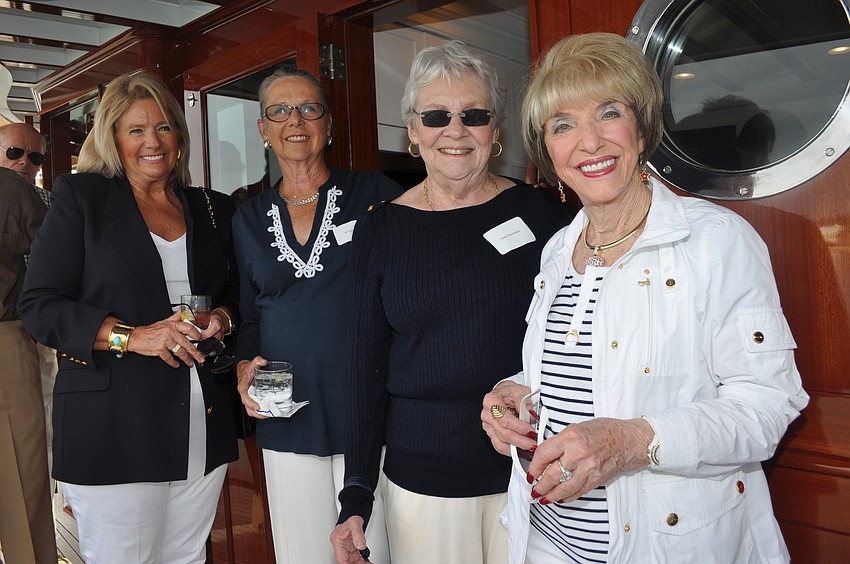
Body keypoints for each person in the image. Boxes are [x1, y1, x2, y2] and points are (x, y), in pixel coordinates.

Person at [480, 32, 808, 564]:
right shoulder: (559, 250)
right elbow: (585, 374)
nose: (589, 142)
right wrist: (515, 395)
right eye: (563, 124)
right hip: (547, 542)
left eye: (608, 112)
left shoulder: (717, 241)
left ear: (641, 125)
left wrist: (632, 441)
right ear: (547, 151)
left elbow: (768, 407)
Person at [330, 40, 569, 564]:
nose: (455, 130)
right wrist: (355, 493)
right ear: (413, 133)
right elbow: (364, 368)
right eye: (436, 115)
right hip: (424, 481)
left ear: (496, 131)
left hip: (535, 468)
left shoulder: (542, 214)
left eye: (474, 114)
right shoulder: (381, 229)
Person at [18, 71, 240, 564]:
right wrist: (131, 336)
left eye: (163, 127)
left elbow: (238, 295)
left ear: (179, 136)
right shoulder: (82, 199)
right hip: (114, 421)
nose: (152, 142)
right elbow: (39, 305)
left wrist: (222, 318)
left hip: (202, 415)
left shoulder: (210, 208)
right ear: (113, 138)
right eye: (136, 130)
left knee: (187, 557)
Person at [232, 67, 403, 564]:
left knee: (376, 551)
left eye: (309, 108)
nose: (295, 120)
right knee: (302, 553)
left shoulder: (376, 195)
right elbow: (248, 312)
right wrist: (245, 366)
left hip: (369, 408)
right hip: (286, 412)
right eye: (279, 112)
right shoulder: (247, 217)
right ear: (263, 130)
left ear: (327, 124)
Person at [0, 122, 60, 500]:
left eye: (34, 156)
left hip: (35, 339)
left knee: (38, 448)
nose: (25, 162)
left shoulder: (52, 206)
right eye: (14, 153)